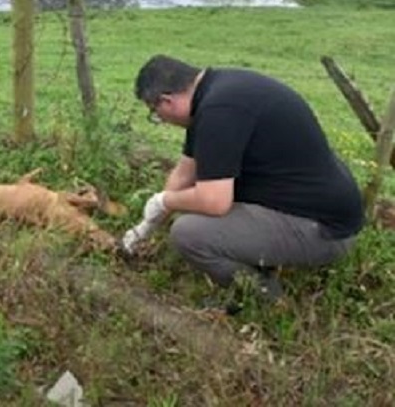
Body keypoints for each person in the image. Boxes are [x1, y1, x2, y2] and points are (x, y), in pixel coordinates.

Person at [121, 54, 363, 307]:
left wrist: (164, 201)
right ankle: (260, 262)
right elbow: (184, 173)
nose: (161, 122)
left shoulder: (218, 112)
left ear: (166, 101)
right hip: (316, 210)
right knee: (194, 212)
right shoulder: (216, 93)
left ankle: (265, 297)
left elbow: (214, 201)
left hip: (324, 230)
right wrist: (147, 226)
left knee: (189, 232)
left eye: (155, 114)